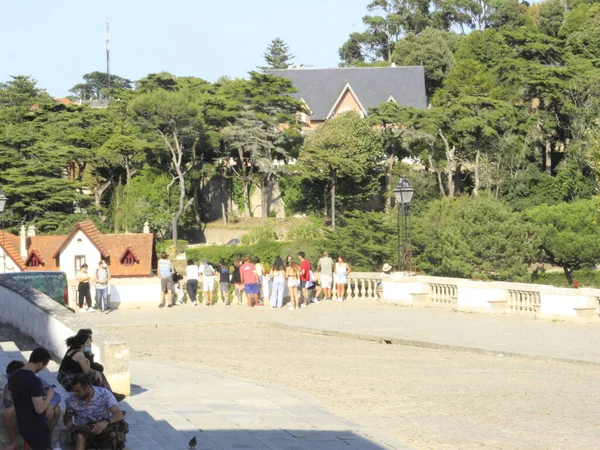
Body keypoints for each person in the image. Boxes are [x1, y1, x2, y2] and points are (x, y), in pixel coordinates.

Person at [3, 359, 61, 450]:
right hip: (23, 417)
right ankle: (14, 442)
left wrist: (51, 405)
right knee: (7, 412)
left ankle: (47, 438)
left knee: (56, 408)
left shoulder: (36, 380)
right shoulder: (11, 384)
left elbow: (56, 394)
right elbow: (7, 401)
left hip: (37, 412)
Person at [57, 329, 125, 402]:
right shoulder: (79, 354)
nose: (90, 344)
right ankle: (110, 398)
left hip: (67, 376)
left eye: (90, 342)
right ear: (82, 345)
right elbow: (87, 371)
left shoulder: (74, 350)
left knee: (98, 376)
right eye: (87, 342)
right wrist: (89, 358)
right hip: (68, 380)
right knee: (98, 377)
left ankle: (110, 396)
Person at [64, 373, 127, 450]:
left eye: (78, 391)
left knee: (114, 436)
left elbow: (118, 414)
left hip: (103, 428)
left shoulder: (104, 394)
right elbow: (67, 417)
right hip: (84, 430)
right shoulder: (71, 399)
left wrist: (106, 421)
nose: (76, 394)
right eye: (74, 391)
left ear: (87, 387)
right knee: (80, 437)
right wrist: (68, 423)